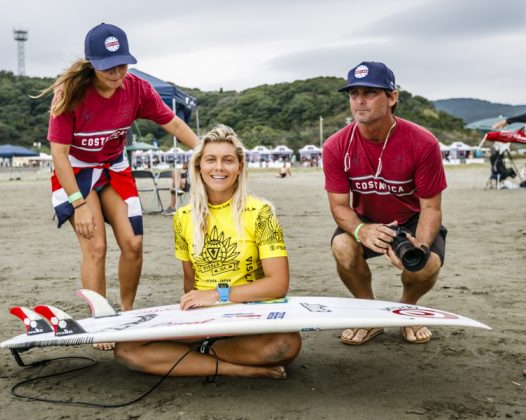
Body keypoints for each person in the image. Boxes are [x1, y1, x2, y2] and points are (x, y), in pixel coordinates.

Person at [38, 23, 198, 330]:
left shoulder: (137, 89)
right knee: (96, 246)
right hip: (76, 172)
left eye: (122, 64)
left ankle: (126, 315)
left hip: (113, 168)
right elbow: (59, 155)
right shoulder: (69, 94)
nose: (117, 73)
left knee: (133, 243)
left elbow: (174, 125)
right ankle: (99, 320)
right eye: (108, 67)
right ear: (92, 64)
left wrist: (205, 151)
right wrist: (79, 204)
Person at [115, 125, 302, 378]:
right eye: (210, 160)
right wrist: (198, 311)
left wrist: (217, 295)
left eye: (228, 161)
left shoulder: (260, 212)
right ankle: (235, 368)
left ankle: (195, 355)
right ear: (198, 167)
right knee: (126, 350)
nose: (219, 168)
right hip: (205, 315)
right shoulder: (183, 217)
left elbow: (278, 284)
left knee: (285, 345)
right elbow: (189, 282)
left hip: (249, 313)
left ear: (239, 167)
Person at [322, 61, 448, 345]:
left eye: (370, 92)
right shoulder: (335, 145)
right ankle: (370, 315)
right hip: (366, 217)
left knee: (427, 263)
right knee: (342, 245)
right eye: (354, 93)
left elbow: (431, 208)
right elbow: (340, 206)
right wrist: (360, 231)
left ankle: (406, 309)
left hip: (412, 218)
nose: (360, 100)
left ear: (392, 97)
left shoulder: (422, 143)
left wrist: (421, 245)